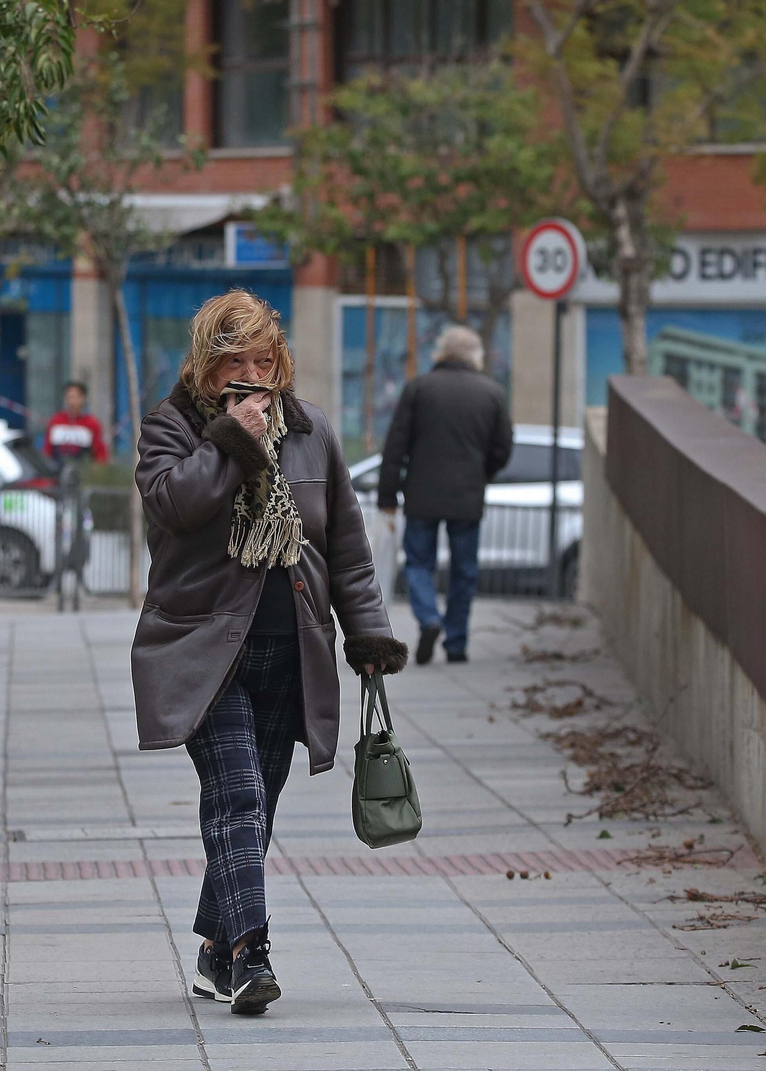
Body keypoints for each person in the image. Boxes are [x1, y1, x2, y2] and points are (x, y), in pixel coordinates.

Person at [132, 289, 408, 1015]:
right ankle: (253, 953)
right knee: (238, 791)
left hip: (293, 646)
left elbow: (345, 546)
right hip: (202, 647)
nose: (253, 375)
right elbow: (172, 507)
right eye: (234, 363)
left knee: (256, 804)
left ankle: (215, 949)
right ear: (206, 368)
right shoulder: (170, 429)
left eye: (264, 359)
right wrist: (231, 440)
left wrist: (368, 634)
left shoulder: (312, 430)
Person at [377, 324, 513, 666]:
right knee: (464, 571)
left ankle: (428, 618)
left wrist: (387, 498)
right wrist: (482, 474)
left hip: (421, 495)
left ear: (441, 352)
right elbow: (503, 448)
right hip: (467, 497)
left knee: (419, 563)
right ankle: (456, 643)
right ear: (475, 356)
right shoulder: (492, 392)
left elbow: (395, 447)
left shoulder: (419, 389)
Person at [43, 381, 110, 464]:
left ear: (83, 399)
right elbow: (47, 451)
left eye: (75, 397)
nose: (71, 402)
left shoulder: (92, 423)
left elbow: (99, 452)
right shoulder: (55, 421)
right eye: (69, 397)